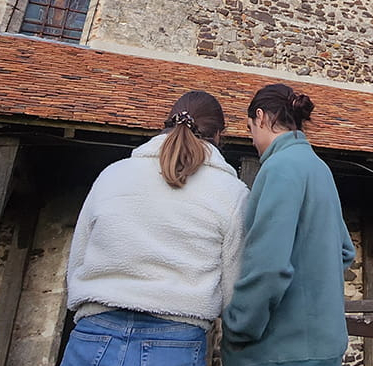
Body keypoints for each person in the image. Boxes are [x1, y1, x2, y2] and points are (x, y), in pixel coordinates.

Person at [62, 91, 249, 366]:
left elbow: (77, 260)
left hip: (95, 332)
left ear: (166, 124)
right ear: (219, 136)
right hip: (176, 339)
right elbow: (232, 287)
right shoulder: (232, 193)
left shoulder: (112, 174)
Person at [221, 83, 356, 366]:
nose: (253, 140)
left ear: (260, 117)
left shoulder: (278, 167)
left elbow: (268, 266)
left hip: (276, 352)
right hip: (325, 348)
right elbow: (345, 251)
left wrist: (237, 326)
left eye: (250, 129)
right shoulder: (319, 168)